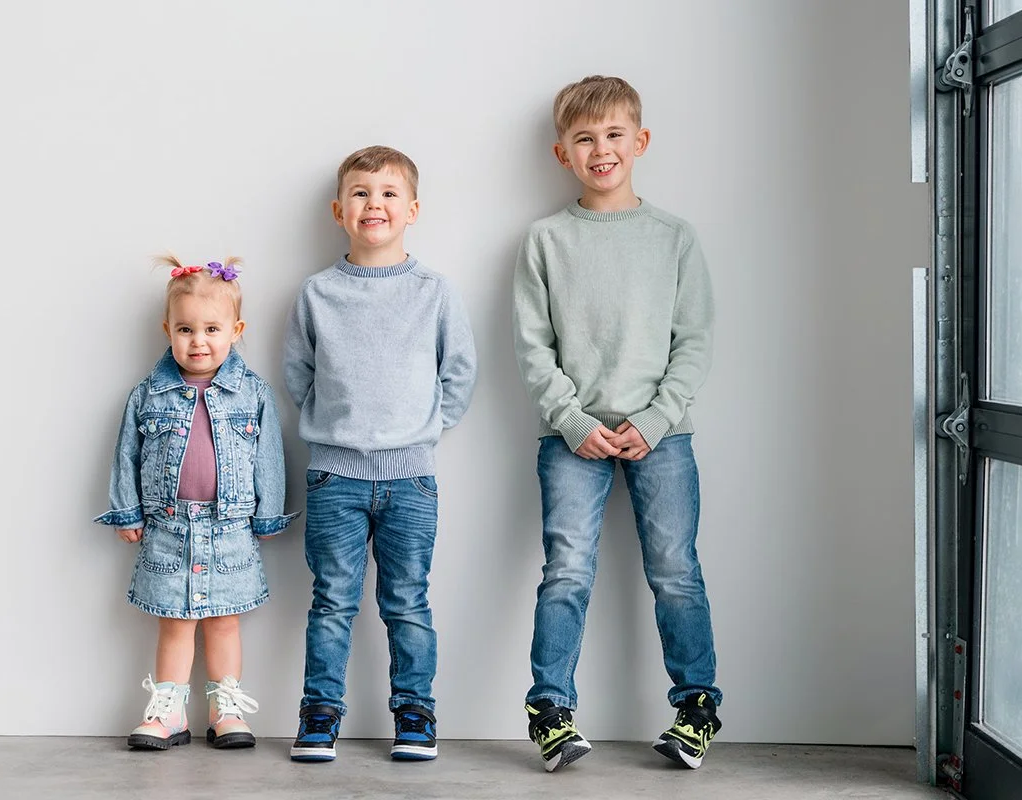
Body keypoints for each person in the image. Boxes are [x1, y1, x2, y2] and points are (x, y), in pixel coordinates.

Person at [513, 75, 722, 772]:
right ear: (561, 152)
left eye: (612, 135)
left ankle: (696, 709)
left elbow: (694, 340)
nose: (600, 149)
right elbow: (532, 346)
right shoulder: (544, 240)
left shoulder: (674, 239)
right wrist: (571, 422)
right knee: (565, 572)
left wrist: (657, 419)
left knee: (676, 572)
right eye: (584, 138)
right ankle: (550, 711)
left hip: (661, 437)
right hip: (572, 441)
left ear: (640, 141)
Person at [283, 145, 477, 762]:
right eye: (361, 193)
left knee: (408, 600)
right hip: (333, 477)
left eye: (389, 193)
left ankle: (415, 713)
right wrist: (336, 429)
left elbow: (461, 373)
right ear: (340, 210)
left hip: (411, 480)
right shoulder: (316, 293)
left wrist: (422, 430)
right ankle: (320, 713)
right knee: (332, 600)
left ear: (412, 209)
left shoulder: (435, 291)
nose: (375, 204)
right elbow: (298, 374)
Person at [95, 256, 298, 751]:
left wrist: (269, 513)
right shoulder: (148, 394)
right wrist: (127, 511)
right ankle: (169, 711)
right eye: (185, 329)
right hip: (167, 528)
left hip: (231, 529)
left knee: (225, 622)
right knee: (175, 623)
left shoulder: (252, 394)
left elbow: (269, 456)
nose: (198, 341)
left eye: (211, 329)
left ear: (236, 330)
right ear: (168, 329)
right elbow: (127, 452)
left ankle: (225, 708)